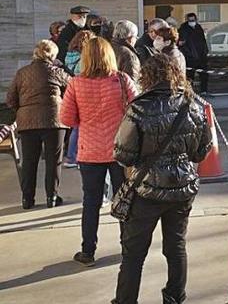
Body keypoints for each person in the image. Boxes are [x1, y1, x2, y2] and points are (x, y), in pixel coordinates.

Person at [112, 54, 212, 304]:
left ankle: (125, 300)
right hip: (183, 189)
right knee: (176, 246)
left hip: (147, 190)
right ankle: (175, 297)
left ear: (147, 76)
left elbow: (123, 155)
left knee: (133, 254)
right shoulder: (194, 104)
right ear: (177, 74)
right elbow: (201, 151)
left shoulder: (139, 107)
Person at [60, 37, 138, 267]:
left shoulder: (76, 83)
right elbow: (137, 110)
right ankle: (128, 247)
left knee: (91, 202)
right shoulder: (122, 80)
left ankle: (88, 251)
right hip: (120, 151)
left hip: (89, 152)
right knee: (124, 199)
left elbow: (66, 118)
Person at [6, 40, 70, 209]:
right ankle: (52, 197)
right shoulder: (57, 72)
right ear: (53, 55)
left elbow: (10, 99)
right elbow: (72, 89)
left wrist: (22, 111)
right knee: (53, 160)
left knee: (29, 161)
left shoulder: (22, 73)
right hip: (54, 120)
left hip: (27, 122)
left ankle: (27, 199)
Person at [62, 30, 96, 167]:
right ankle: (72, 156)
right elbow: (84, 73)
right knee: (79, 127)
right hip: (83, 91)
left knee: (75, 126)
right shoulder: (83, 58)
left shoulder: (69, 55)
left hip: (72, 91)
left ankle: (71, 156)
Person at [178, 13, 209, 94]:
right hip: (190, 57)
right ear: (187, 20)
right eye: (190, 20)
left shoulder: (198, 27)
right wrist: (188, 54)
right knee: (189, 76)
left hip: (201, 56)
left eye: (193, 20)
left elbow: (203, 41)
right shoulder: (183, 29)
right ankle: (189, 92)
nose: (192, 22)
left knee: (204, 74)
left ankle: (204, 90)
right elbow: (181, 43)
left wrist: (205, 52)